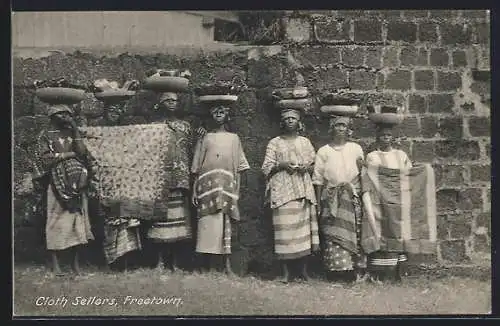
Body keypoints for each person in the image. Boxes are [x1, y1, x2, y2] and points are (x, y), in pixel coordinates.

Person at [32, 104, 95, 276]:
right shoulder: (45, 136)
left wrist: (75, 130)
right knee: (55, 222)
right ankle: (56, 266)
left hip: (76, 186)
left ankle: (75, 265)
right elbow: (45, 160)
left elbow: (82, 153)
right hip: (56, 185)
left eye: (68, 114)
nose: (66, 117)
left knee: (76, 222)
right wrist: (67, 155)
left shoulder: (73, 134)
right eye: (61, 114)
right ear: (52, 116)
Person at [191, 98, 250, 275]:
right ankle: (207, 267)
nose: (218, 113)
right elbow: (196, 166)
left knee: (225, 226)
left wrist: (236, 190)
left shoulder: (234, 139)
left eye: (222, 111)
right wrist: (194, 190)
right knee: (207, 226)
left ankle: (226, 266)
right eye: (215, 110)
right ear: (211, 114)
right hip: (206, 187)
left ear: (227, 115)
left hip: (226, 187)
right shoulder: (205, 138)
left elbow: (239, 167)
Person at [261, 108, 319, 283]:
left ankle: (303, 271)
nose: (290, 121)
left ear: (299, 122)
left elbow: (314, 164)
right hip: (282, 193)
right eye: (287, 119)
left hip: (302, 189)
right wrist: (281, 165)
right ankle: (286, 273)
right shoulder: (274, 143)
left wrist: (306, 168)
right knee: (284, 232)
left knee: (303, 232)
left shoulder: (305, 142)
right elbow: (265, 168)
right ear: (282, 122)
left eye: (293, 118)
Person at [145, 92, 200, 272]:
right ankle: (160, 262)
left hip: (180, 179)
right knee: (160, 220)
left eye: (174, 101)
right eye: (168, 100)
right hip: (160, 178)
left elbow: (191, 149)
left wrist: (201, 135)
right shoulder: (153, 126)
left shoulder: (185, 126)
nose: (172, 103)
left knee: (179, 221)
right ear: (160, 103)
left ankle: (175, 263)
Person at [312, 116, 367, 283]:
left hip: (352, 195)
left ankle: (354, 271)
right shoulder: (324, 151)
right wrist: (318, 202)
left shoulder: (355, 148)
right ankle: (336, 271)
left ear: (348, 129)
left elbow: (363, 172)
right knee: (332, 233)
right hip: (331, 196)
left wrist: (363, 194)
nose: (341, 129)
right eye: (337, 125)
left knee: (354, 231)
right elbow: (318, 178)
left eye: (344, 125)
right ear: (332, 128)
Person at [98, 101, 143, 272]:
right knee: (111, 222)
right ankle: (112, 261)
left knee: (126, 223)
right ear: (105, 113)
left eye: (117, 111)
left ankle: (125, 262)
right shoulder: (99, 134)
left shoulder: (127, 134)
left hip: (125, 182)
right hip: (108, 181)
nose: (113, 114)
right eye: (110, 111)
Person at [365, 124, 412, 283]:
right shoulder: (372, 156)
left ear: (393, 138)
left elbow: (407, 174)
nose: (386, 138)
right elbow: (371, 175)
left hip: (398, 199)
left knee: (397, 231)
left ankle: (397, 272)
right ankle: (381, 274)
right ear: (378, 137)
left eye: (388, 135)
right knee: (381, 230)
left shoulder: (400, 155)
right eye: (383, 135)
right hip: (379, 200)